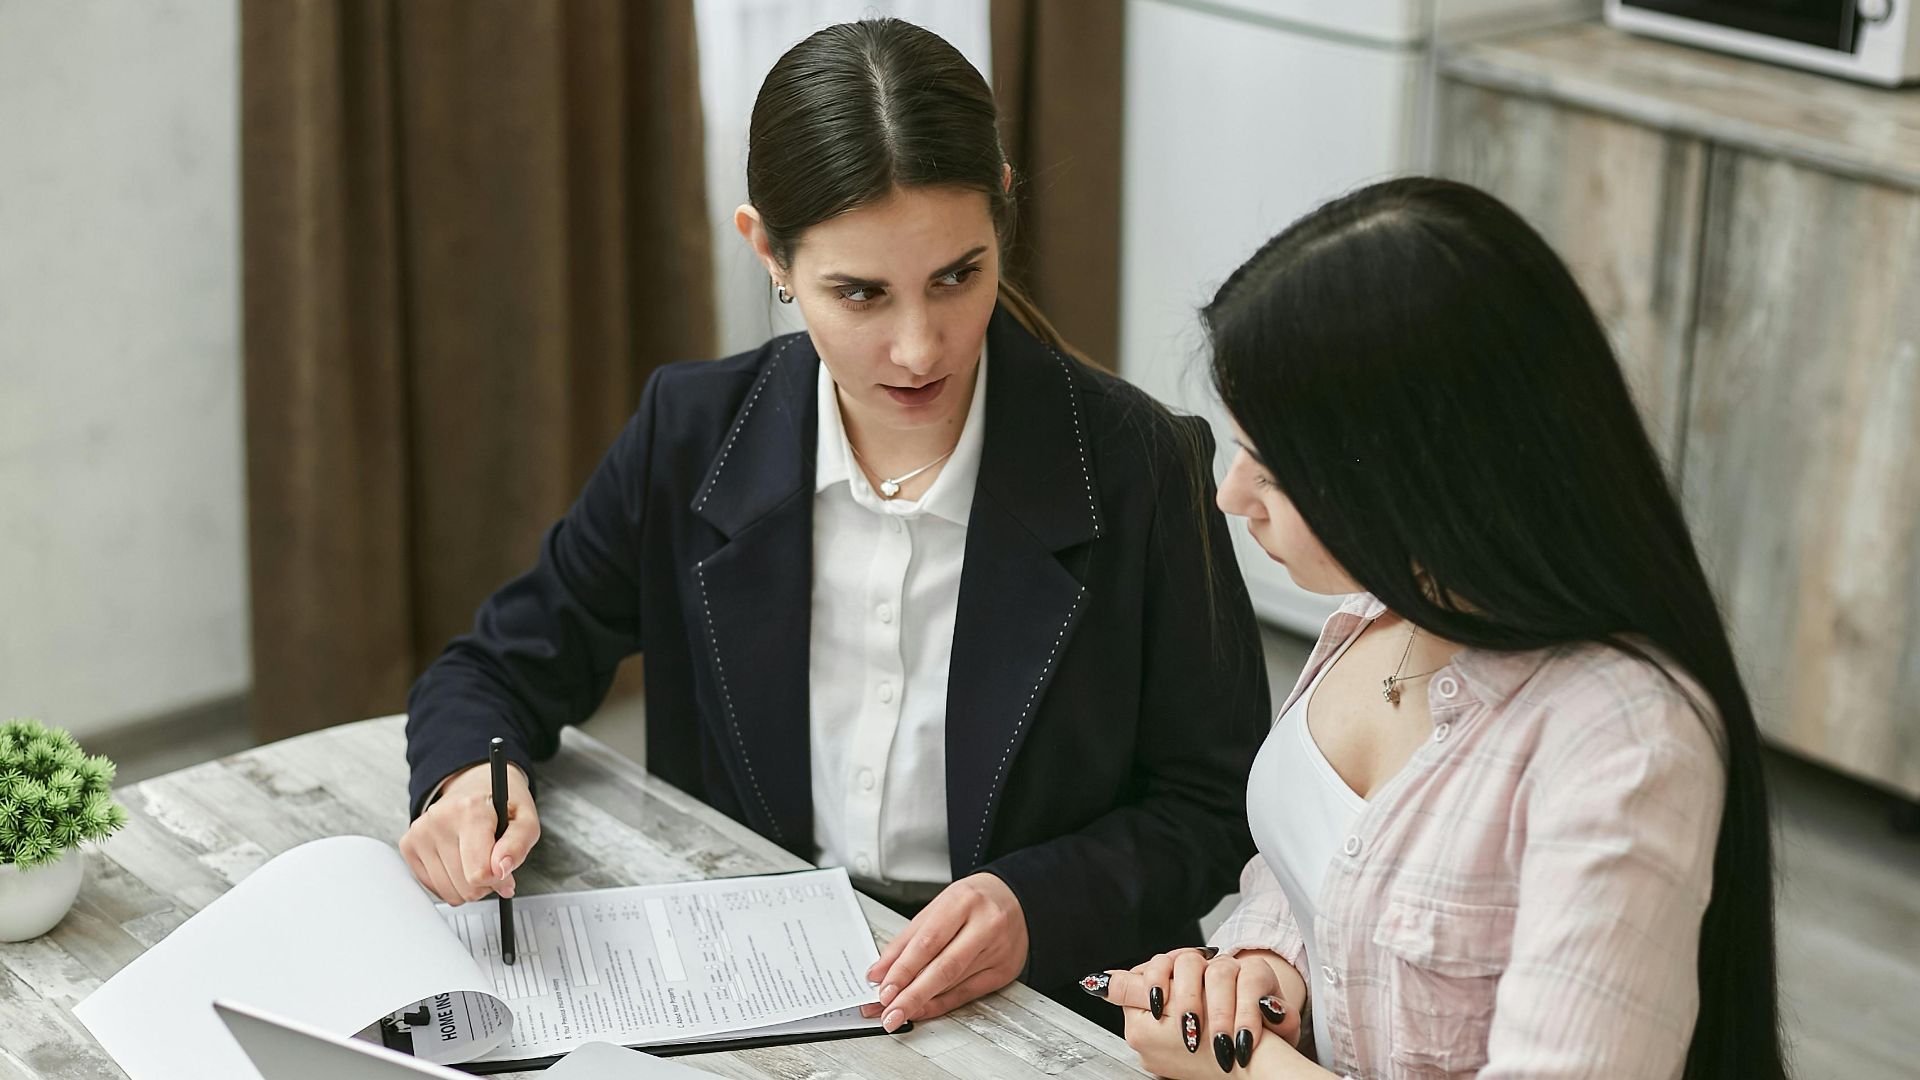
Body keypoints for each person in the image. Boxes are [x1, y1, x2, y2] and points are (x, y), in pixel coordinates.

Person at [397, 17, 1269, 1031]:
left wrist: (1035, 902)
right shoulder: (692, 433)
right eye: (859, 294)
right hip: (751, 981)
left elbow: (1215, 807)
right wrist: (466, 780)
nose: (917, 348)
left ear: (1003, 212)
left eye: (958, 276)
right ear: (767, 249)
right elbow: (497, 666)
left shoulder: (1134, 465)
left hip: (1043, 1000)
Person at [1086, 178, 1788, 1079]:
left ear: (1413, 469)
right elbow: (1321, 877)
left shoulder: (1625, 741)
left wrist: (1239, 1071)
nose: (1230, 497)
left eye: (1272, 464)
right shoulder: (1389, 604)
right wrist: (1262, 973)